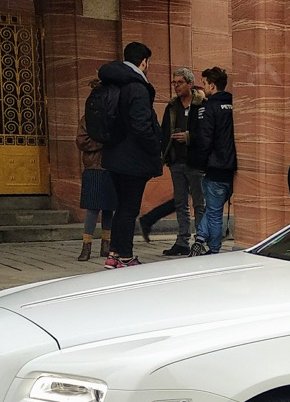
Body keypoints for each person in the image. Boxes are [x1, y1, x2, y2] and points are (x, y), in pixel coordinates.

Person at [97, 41, 162, 268]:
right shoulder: (136, 87)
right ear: (143, 62)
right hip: (133, 159)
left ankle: (113, 255)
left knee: (121, 207)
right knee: (129, 208)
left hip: (114, 156)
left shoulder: (113, 83)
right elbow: (141, 125)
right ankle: (125, 256)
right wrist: (156, 147)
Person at [140, 68, 206, 257]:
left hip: (196, 161)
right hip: (176, 160)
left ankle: (201, 241)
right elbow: (164, 132)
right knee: (180, 203)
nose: (176, 86)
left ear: (190, 84)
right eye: (174, 83)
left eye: (179, 82)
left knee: (200, 204)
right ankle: (182, 241)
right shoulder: (172, 106)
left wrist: (188, 137)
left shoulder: (201, 104)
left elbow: (207, 132)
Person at [191, 66, 237, 256]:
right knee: (214, 208)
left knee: (214, 212)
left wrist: (200, 164)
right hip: (234, 167)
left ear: (212, 84)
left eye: (204, 83)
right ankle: (201, 237)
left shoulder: (208, 107)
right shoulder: (235, 104)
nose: (204, 87)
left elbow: (204, 139)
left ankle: (214, 250)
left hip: (215, 166)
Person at [76, 77, 115, 262]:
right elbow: (82, 140)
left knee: (109, 208)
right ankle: (86, 245)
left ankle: (106, 244)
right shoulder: (87, 118)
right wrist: (104, 141)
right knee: (92, 208)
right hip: (93, 165)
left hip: (110, 165)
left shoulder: (112, 117)